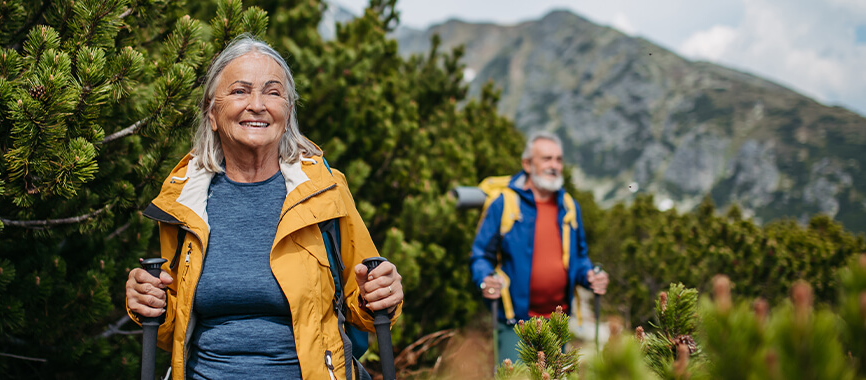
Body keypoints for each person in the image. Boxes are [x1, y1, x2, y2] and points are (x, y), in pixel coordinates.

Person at [125, 35, 403, 380]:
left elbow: (368, 310)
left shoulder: (326, 192)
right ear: (212, 113)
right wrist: (148, 302)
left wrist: (380, 293)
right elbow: (171, 332)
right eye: (240, 91)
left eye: (272, 93)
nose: (257, 105)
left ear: (288, 112)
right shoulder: (185, 199)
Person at [469, 131, 609, 364]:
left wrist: (590, 276)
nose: (554, 165)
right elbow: (480, 255)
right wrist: (485, 279)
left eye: (558, 159)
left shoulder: (569, 206)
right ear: (527, 164)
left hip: (558, 323)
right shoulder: (504, 203)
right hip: (515, 323)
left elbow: (580, 258)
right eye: (546, 159)